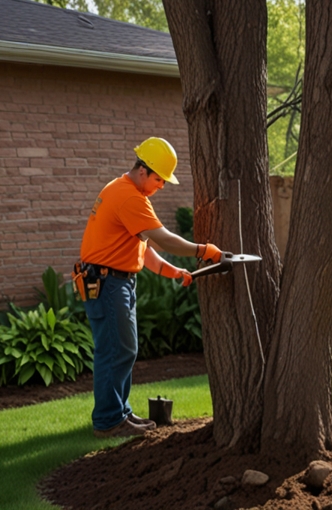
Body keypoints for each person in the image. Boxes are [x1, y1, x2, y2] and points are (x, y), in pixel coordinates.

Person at [76, 137, 222, 438]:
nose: (162, 186)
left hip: (114, 281)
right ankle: (108, 421)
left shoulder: (125, 191)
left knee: (122, 349)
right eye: (159, 179)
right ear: (142, 170)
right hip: (108, 283)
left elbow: (144, 245)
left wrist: (171, 271)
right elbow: (164, 239)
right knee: (116, 350)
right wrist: (203, 250)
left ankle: (120, 412)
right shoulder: (128, 197)